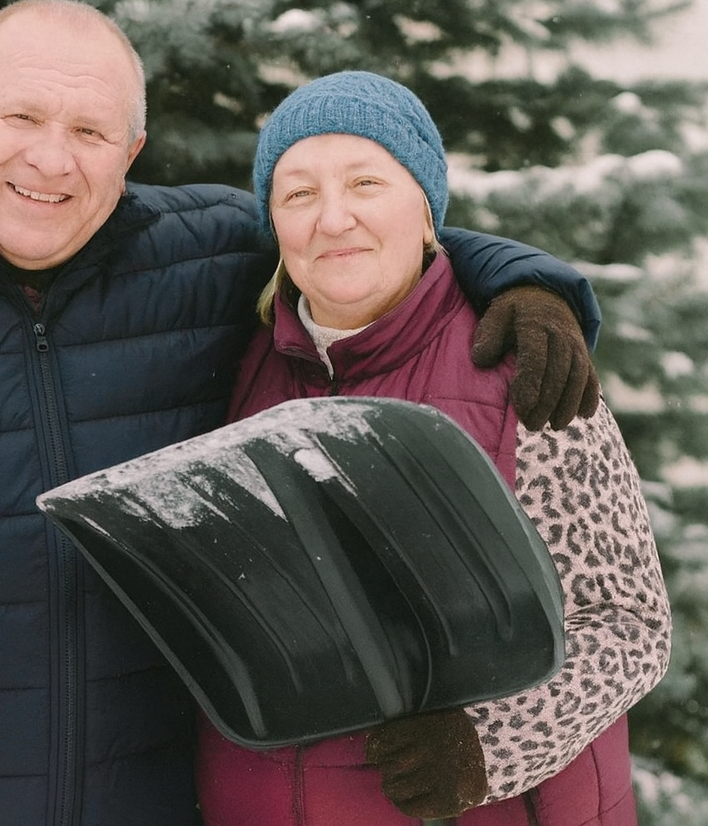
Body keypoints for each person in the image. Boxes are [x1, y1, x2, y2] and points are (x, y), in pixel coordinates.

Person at [0, 0, 605, 826]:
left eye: (92, 132)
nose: (51, 160)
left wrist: (525, 282)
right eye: (21, 115)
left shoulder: (204, 258)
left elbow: (353, 233)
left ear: (133, 150)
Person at [193, 70, 671, 826]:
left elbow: (630, 622)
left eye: (366, 181)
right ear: (273, 223)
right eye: (299, 193)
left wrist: (488, 743)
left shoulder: (526, 367)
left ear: (426, 211)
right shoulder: (247, 364)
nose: (334, 217)